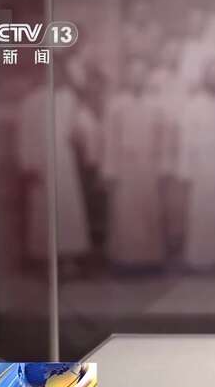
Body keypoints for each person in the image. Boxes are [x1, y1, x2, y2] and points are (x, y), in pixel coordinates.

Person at [17, 62, 96, 272]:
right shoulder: (31, 101)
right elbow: (25, 135)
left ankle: (68, 257)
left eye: (58, 72)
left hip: (64, 160)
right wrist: (28, 163)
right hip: (40, 162)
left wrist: (83, 139)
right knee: (43, 209)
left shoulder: (69, 99)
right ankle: (45, 259)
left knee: (67, 207)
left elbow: (81, 126)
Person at [101, 58, 167, 270]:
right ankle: (125, 261)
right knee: (125, 212)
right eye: (133, 74)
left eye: (141, 74)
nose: (137, 78)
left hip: (149, 164)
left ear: (146, 77)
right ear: (127, 77)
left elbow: (162, 139)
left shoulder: (156, 105)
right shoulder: (116, 104)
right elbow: (110, 140)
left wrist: (162, 167)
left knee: (148, 211)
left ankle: (149, 260)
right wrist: (110, 171)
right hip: (125, 165)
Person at [179, 57, 215, 270]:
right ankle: (202, 260)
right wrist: (185, 171)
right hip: (202, 167)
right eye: (211, 74)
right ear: (205, 78)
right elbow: (186, 140)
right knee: (202, 213)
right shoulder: (194, 105)